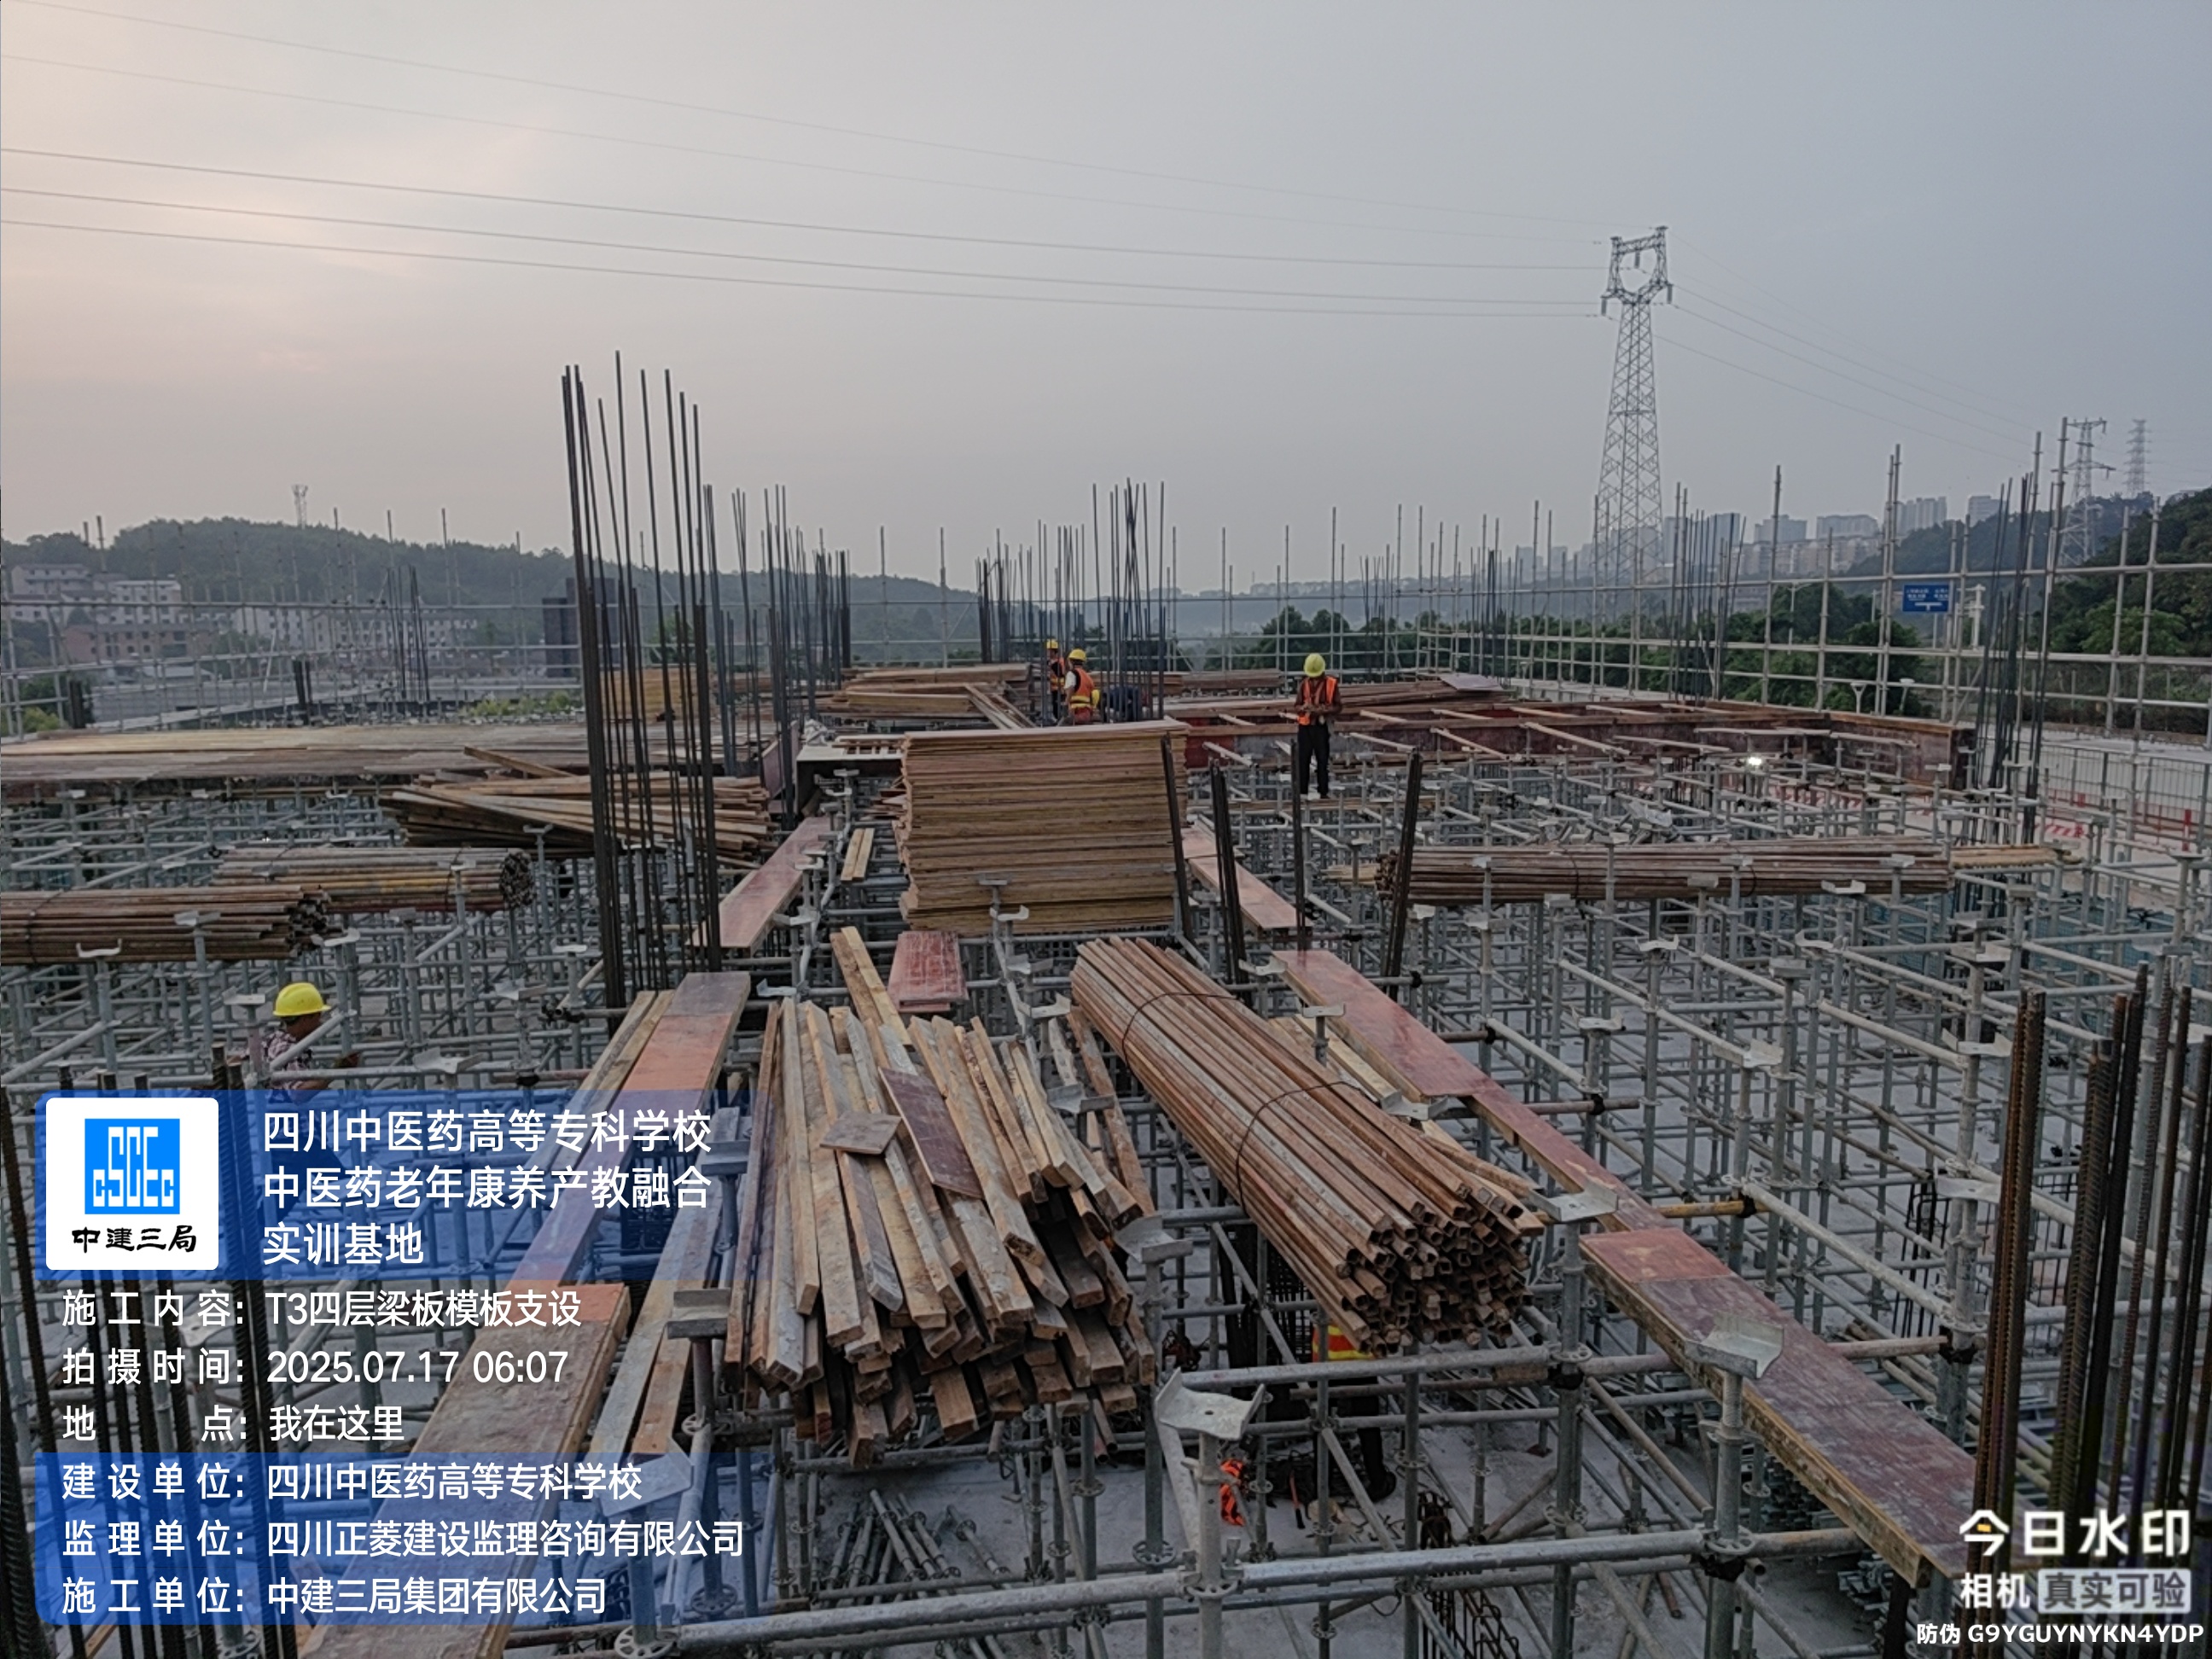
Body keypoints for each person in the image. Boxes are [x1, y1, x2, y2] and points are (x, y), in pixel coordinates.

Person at [265, 981, 358, 1097]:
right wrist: (335, 1071)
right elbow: (299, 1094)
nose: (320, 1022)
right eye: (318, 1016)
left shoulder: (274, 1040)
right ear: (305, 1019)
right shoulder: (287, 1049)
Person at [1293, 653, 1341, 798]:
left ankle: (1323, 792)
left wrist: (1323, 710)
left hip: (1321, 726)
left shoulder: (1331, 684)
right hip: (1305, 726)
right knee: (1303, 760)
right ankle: (1302, 793)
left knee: (1322, 760)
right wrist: (1304, 708)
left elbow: (1338, 706)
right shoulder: (1304, 684)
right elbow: (1296, 706)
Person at [1062, 648, 1100, 725]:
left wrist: (1066, 703)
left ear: (1071, 661)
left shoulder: (1072, 673)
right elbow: (1094, 694)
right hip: (1087, 712)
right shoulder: (1087, 676)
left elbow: (1071, 688)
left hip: (1076, 711)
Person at [1043, 637, 1068, 723]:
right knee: (1055, 707)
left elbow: (1062, 676)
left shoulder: (1060, 662)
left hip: (1060, 689)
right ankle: (1059, 721)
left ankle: (1061, 722)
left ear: (1054, 651)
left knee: (1058, 707)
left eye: (1049, 651)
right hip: (1054, 689)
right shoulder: (1049, 662)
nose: (1047, 653)